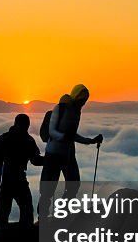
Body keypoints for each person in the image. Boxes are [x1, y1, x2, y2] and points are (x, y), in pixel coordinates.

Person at [37, 84, 103, 218]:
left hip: (67, 153)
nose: (83, 103)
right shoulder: (60, 108)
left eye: (85, 100)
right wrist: (64, 137)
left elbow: (72, 135)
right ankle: (43, 217)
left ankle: (59, 213)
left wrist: (90, 141)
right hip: (54, 153)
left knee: (73, 185)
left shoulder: (76, 111)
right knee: (48, 189)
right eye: (82, 99)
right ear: (76, 97)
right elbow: (52, 132)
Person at [0, 114, 44, 236]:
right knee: (26, 211)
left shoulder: (3, 138)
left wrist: (0, 167)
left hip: (5, 180)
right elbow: (36, 160)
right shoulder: (28, 140)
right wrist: (50, 160)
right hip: (17, 180)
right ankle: (23, 239)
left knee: (3, 214)